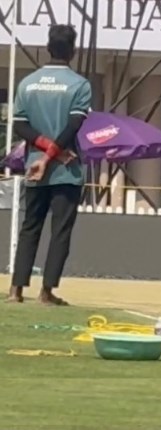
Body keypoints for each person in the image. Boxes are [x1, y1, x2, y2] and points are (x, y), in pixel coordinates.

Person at [6, 25, 92, 305]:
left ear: (47, 48)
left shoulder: (28, 83)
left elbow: (20, 126)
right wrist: (53, 156)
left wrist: (42, 156)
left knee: (30, 227)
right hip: (67, 171)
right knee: (60, 231)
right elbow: (74, 125)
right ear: (73, 51)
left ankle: (16, 290)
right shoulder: (79, 85)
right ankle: (46, 292)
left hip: (33, 167)